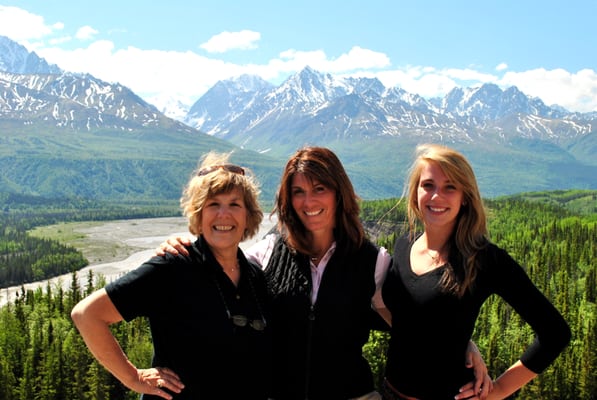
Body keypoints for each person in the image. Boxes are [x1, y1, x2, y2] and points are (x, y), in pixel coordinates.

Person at [157, 146, 490, 400]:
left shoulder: (374, 262)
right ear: (288, 199)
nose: (308, 201)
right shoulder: (265, 255)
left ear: (338, 193)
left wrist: (463, 344)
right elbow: (215, 284)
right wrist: (191, 243)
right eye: (298, 192)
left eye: (319, 189)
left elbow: (413, 317)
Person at [71, 152, 271, 399]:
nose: (224, 215)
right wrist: (133, 377)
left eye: (234, 204)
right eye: (213, 204)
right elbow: (87, 315)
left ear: (248, 216)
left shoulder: (255, 279)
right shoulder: (174, 267)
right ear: (198, 214)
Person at [380, 143, 571, 400]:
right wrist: (465, 344)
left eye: (450, 187)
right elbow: (409, 319)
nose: (436, 196)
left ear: (465, 197)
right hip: (391, 392)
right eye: (428, 185)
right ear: (415, 192)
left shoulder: (484, 259)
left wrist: (498, 391)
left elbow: (555, 333)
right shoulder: (405, 244)